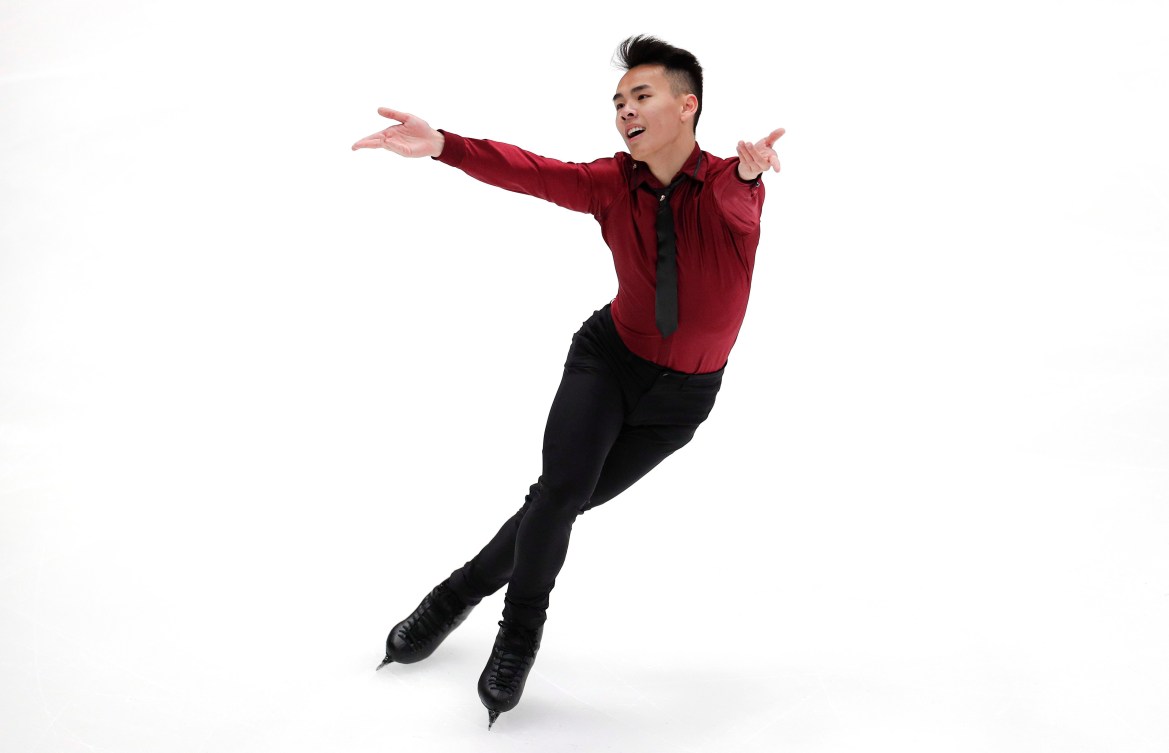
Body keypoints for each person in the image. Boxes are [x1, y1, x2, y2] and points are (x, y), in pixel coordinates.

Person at [351, 34, 783, 729]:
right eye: (617, 102)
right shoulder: (611, 184)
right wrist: (445, 146)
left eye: (640, 95)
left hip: (679, 404)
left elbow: (740, 199)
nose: (624, 110)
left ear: (686, 104)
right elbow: (533, 170)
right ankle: (517, 635)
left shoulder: (729, 190)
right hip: (607, 360)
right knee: (558, 493)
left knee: (558, 505)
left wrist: (751, 175)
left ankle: (454, 592)